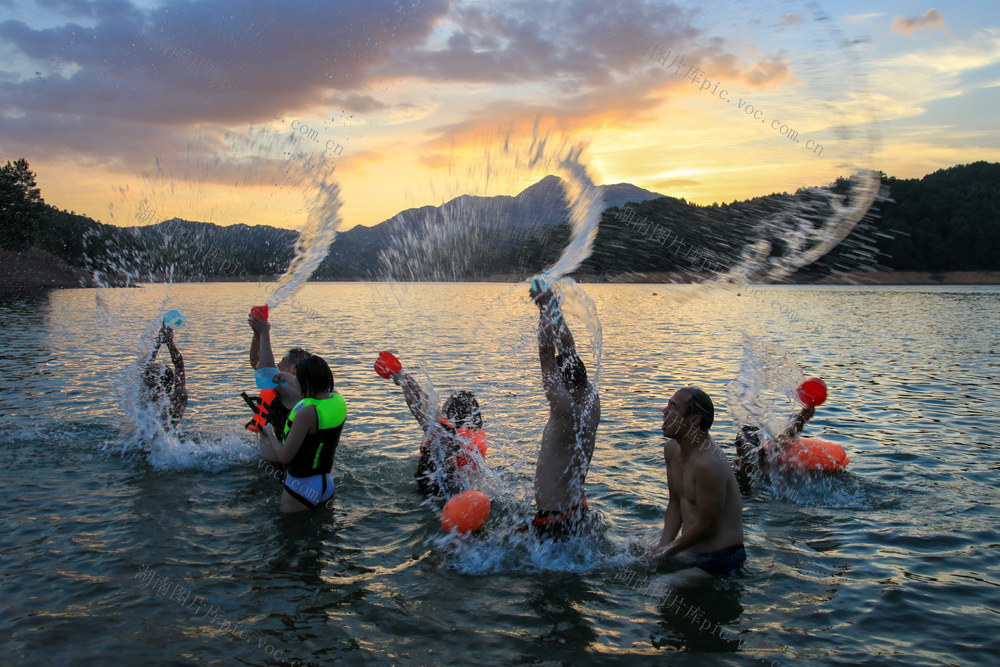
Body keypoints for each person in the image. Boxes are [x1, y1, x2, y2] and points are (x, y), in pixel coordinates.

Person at [649, 387, 745, 584]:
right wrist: (663, 545)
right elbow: (675, 503)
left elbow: (708, 525)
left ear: (694, 420)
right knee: (636, 559)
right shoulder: (671, 450)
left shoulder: (708, 463)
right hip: (690, 550)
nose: (664, 411)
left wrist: (668, 551)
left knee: (661, 587)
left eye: (673, 407)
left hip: (720, 559)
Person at [527, 283, 600, 538]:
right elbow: (568, 350)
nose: (552, 384)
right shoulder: (592, 399)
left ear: (566, 382)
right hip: (576, 511)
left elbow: (546, 354)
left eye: (558, 381)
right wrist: (553, 308)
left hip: (554, 522)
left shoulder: (563, 407)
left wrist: (544, 310)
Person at [387, 359, 488, 497]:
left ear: (453, 414)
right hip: (465, 491)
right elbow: (428, 403)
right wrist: (408, 380)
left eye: (445, 407)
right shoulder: (473, 434)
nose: (441, 409)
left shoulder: (444, 433)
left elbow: (418, 411)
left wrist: (404, 386)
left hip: (439, 494)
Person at [263, 355, 346, 512]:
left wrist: (270, 433)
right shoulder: (337, 400)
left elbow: (284, 457)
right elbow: (315, 388)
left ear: (304, 383)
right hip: (326, 484)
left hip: (300, 486)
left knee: (290, 534)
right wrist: (288, 377)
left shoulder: (306, 414)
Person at [247, 308, 311, 461]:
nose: (277, 365)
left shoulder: (296, 392)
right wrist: (257, 335)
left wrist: (265, 332)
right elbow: (256, 363)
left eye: (282, 362)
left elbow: (267, 372)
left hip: (281, 470)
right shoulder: (285, 386)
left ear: (293, 370)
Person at [734, 404, 815, 487]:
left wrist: (801, 417)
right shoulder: (733, 465)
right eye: (739, 443)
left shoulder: (764, 457)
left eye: (750, 442)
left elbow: (788, 435)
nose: (744, 447)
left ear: (758, 445)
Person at [141, 323, 188, 430]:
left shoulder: (145, 401)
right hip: (167, 444)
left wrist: (158, 343)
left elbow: (143, 367)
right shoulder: (177, 402)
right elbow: (179, 365)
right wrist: (169, 342)